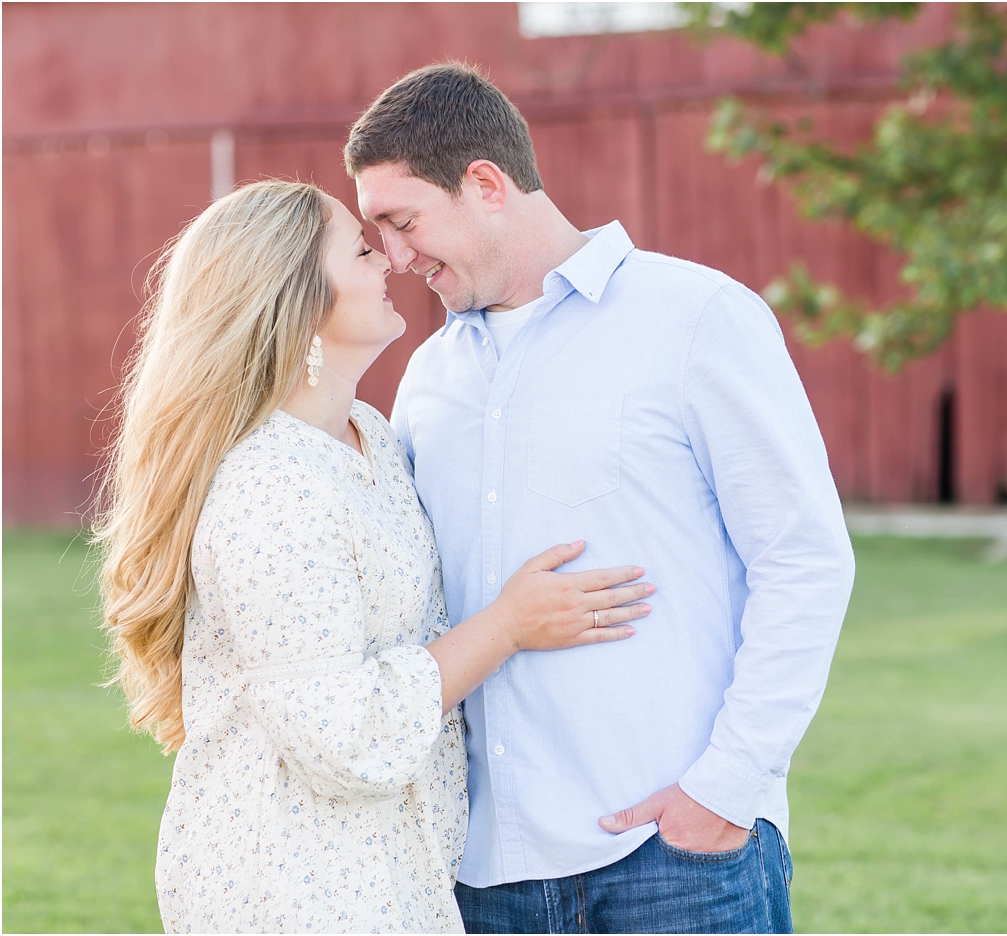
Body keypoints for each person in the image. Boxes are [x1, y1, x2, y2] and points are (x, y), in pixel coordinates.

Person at [346, 62, 856, 934]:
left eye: (402, 222)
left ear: (484, 184)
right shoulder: (429, 377)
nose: (394, 257)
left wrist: (725, 790)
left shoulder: (695, 317)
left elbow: (805, 558)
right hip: (483, 874)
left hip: (675, 858)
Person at [94, 179, 654, 933]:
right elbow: (343, 734)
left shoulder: (368, 437)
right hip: (294, 888)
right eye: (362, 249)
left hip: (387, 871)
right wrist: (509, 627)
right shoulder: (271, 486)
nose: (391, 257)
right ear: (297, 303)